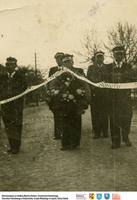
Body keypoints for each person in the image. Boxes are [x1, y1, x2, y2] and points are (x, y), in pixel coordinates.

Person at [60, 54, 90, 150]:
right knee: (65, 123)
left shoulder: (79, 72)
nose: (67, 63)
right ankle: (65, 144)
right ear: (62, 63)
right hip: (64, 102)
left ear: (72, 62)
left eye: (69, 61)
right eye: (65, 62)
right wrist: (63, 94)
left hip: (76, 101)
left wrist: (80, 94)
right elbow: (54, 85)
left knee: (76, 122)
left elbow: (84, 84)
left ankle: (75, 143)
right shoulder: (59, 74)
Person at [107, 46, 135, 149]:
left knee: (126, 118)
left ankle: (125, 137)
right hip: (113, 98)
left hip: (125, 98)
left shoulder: (128, 66)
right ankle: (115, 141)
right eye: (116, 54)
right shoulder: (108, 67)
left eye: (121, 54)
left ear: (123, 55)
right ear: (113, 55)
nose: (119, 56)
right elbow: (105, 82)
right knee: (114, 119)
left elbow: (133, 79)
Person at [1, 57, 27, 154]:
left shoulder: (20, 77)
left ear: (15, 65)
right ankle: (12, 146)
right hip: (5, 106)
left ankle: (16, 146)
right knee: (8, 126)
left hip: (16, 106)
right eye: (7, 64)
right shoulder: (2, 77)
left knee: (16, 125)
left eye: (11, 64)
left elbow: (24, 89)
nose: (9, 66)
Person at [87, 51, 109, 139]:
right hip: (95, 94)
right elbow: (89, 78)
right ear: (95, 58)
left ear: (103, 58)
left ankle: (105, 131)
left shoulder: (107, 67)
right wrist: (96, 84)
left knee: (104, 113)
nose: (99, 58)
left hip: (105, 94)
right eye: (98, 57)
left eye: (101, 57)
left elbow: (109, 78)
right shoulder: (91, 68)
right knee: (95, 114)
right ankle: (96, 132)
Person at [48, 52, 64, 140]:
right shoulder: (52, 70)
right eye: (57, 59)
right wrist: (51, 92)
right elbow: (49, 81)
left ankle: (65, 133)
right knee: (57, 114)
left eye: (60, 58)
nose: (59, 60)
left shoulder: (67, 69)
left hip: (66, 95)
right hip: (56, 96)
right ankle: (57, 133)